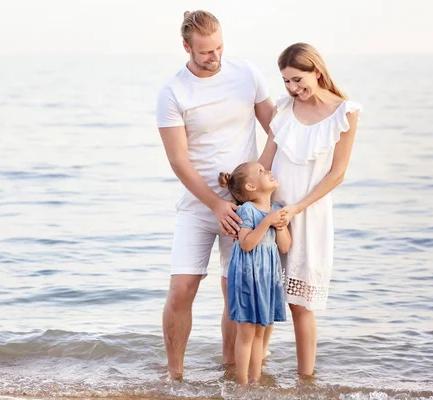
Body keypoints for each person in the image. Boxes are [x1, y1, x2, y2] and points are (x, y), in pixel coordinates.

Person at [155, 10, 276, 380]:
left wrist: (257, 190)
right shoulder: (173, 92)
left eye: (219, 47)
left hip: (245, 209)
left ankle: (231, 370)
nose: (215, 56)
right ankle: (174, 376)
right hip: (198, 206)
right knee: (181, 289)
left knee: (235, 289)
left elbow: (277, 130)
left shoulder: (247, 75)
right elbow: (178, 161)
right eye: (206, 51)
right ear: (186, 47)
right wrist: (216, 203)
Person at [257, 42, 362, 376]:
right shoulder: (284, 109)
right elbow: (265, 161)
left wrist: (298, 208)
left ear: (317, 71)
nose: (293, 88)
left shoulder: (345, 112)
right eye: (286, 81)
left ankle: (306, 381)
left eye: (298, 80)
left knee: (300, 304)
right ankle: (255, 372)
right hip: (272, 212)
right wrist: (251, 205)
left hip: (310, 214)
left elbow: (338, 174)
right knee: (268, 296)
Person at [218, 162, 291, 385]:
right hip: (248, 276)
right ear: (250, 186)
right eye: (261, 171)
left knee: (260, 331)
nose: (268, 171)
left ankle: (255, 380)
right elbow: (247, 243)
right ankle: (241, 383)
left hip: (267, 277)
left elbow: (285, 247)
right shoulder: (247, 210)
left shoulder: (276, 208)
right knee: (247, 332)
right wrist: (267, 221)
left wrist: (280, 226)